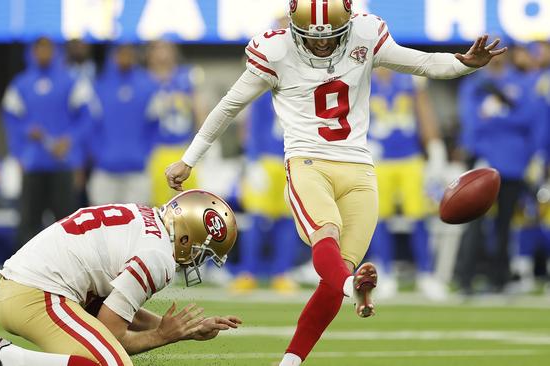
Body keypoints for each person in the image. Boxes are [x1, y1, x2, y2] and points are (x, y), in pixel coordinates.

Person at [165, 1, 505, 364]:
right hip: (308, 162)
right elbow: (229, 105)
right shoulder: (275, 50)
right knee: (326, 234)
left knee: (337, 270)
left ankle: (292, 359)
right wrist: (189, 159)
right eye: (312, 38)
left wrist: (461, 63)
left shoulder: (364, 34)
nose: (321, 45)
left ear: (348, 26)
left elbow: (421, 62)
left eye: (331, 38)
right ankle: (353, 287)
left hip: (359, 168)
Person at [0, 189, 241, 366]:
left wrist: (187, 330)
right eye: (201, 252)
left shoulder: (145, 218)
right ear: (185, 238)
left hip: (24, 289)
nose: (197, 261)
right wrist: (163, 335)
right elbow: (113, 332)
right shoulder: (159, 256)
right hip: (37, 295)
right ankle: (8, 358)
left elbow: (116, 310)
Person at [456, 41, 546, 295]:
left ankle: (500, 279)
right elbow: (472, 123)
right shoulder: (475, 83)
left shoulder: (523, 83)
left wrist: (499, 116)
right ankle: (466, 278)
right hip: (485, 161)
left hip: (514, 163)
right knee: (474, 222)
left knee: (505, 223)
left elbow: (531, 118)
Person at [2, 37, 95, 248]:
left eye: (47, 48)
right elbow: (10, 119)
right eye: (39, 48)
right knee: (28, 222)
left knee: (66, 223)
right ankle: (26, 273)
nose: (43, 53)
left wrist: (70, 141)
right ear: (32, 52)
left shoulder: (70, 81)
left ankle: (69, 273)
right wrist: (21, 148)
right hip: (33, 163)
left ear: (55, 51)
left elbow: (88, 118)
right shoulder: (21, 83)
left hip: (62, 163)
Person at [366, 67, 448, 301]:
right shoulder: (362, 79)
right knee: (379, 218)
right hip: (379, 159)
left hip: (410, 158)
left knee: (418, 215)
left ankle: (426, 274)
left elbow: (424, 112)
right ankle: (385, 274)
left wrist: (434, 145)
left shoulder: (409, 80)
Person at [230, 90, 302, 294]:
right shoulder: (264, 89)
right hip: (267, 160)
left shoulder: (302, 85)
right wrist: (252, 161)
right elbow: (253, 125)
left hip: (293, 158)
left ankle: (282, 273)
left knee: (288, 219)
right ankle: (248, 273)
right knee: (256, 218)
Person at [88, 44, 157, 206]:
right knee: (101, 226)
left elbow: (155, 126)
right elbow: (90, 126)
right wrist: (100, 155)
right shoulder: (99, 87)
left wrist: (143, 153)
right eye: (121, 54)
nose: (124, 58)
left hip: (137, 170)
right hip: (105, 170)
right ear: (113, 56)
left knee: (138, 225)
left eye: (128, 54)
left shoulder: (148, 87)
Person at [146, 40, 205, 207]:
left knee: (190, 203)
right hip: (157, 150)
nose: (163, 54)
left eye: (166, 48)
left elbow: (200, 109)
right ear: (150, 55)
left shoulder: (186, 76)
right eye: (158, 49)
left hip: (184, 148)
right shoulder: (145, 80)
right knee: (159, 207)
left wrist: (202, 141)